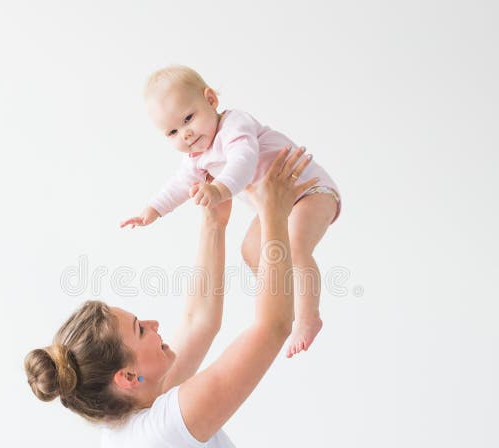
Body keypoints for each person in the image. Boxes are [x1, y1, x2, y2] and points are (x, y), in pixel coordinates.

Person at [27, 147, 316, 448]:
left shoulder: (131, 416)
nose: (154, 322)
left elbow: (200, 320)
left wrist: (214, 223)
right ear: (127, 377)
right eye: (140, 329)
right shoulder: (166, 429)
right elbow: (272, 328)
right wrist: (274, 215)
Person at [120, 65, 341, 357]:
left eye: (188, 118)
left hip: (309, 192)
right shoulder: (196, 157)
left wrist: (219, 190)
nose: (185, 134)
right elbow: (179, 184)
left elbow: (243, 161)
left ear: (211, 100)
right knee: (251, 251)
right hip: (273, 207)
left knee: (295, 247)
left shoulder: (234, 125)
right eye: (172, 131)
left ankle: (308, 316)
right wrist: (153, 210)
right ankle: (281, 300)